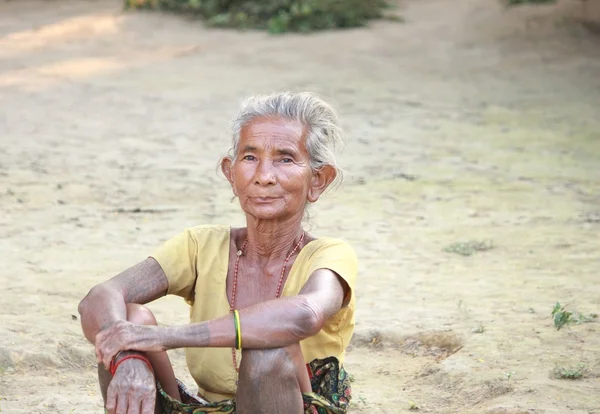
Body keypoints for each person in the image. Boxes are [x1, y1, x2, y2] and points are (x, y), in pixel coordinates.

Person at [78, 91, 358, 414]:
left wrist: (167, 336)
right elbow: (99, 297)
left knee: (268, 351)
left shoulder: (329, 255)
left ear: (318, 181)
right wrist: (127, 354)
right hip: (205, 408)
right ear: (231, 173)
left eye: (285, 159)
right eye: (250, 158)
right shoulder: (202, 247)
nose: (264, 176)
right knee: (127, 321)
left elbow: (304, 315)